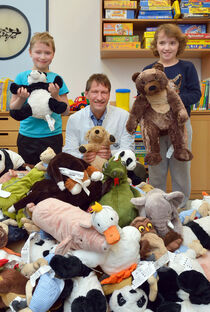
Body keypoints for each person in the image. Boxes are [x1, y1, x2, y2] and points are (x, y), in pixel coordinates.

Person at [143, 23, 201, 208]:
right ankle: (156, 204)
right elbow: (142, 94)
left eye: (172, 43)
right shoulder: (149, 68)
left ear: (179, 45)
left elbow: (195, 94)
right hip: (156, 129)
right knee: (156, 169)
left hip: (180, 127)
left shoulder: (188, 67)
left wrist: (170, 98)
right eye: (162, 43)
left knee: (181, 168)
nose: (166, 47)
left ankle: (181, 206)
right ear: (156, 45)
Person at [9, 32, 69, 166]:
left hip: (52, 136)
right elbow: (12, 108)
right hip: (27, 137)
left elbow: (66, 111)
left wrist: (56, 96)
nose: (42, 57)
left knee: (52, 173)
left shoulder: (56, 79)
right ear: (30, 52)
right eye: (38, 52)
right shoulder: (21, 77)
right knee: (28, 173)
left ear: (53, 54)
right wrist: (21, 99)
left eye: (47, 53)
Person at [63, 73, 135, 163]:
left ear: (109, 95)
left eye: (104, 92)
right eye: (95, 92)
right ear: (86, 94)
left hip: (115, 167)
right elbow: (68, 151)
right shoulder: (74, 119)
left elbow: (129, 150)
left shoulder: (124, 117)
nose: (100, 97)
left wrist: (111, 154)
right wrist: (82, 157)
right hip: (85, 169)